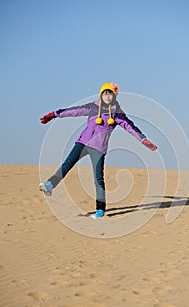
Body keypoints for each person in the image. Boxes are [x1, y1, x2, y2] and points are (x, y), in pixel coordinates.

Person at [39, 82, 157, 219]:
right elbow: (74, 111)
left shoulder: (117, 114)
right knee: (67, 165)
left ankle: (100, 209)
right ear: (101, 94)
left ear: (114, 96)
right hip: (82, 142)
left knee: (98, 179)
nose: (107, 96)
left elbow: (130, 127)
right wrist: (54, 114)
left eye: (110, 93)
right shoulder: (93, 107)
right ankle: (50, 185)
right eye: (105, 93)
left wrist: (143, 140)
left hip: (99, 148)